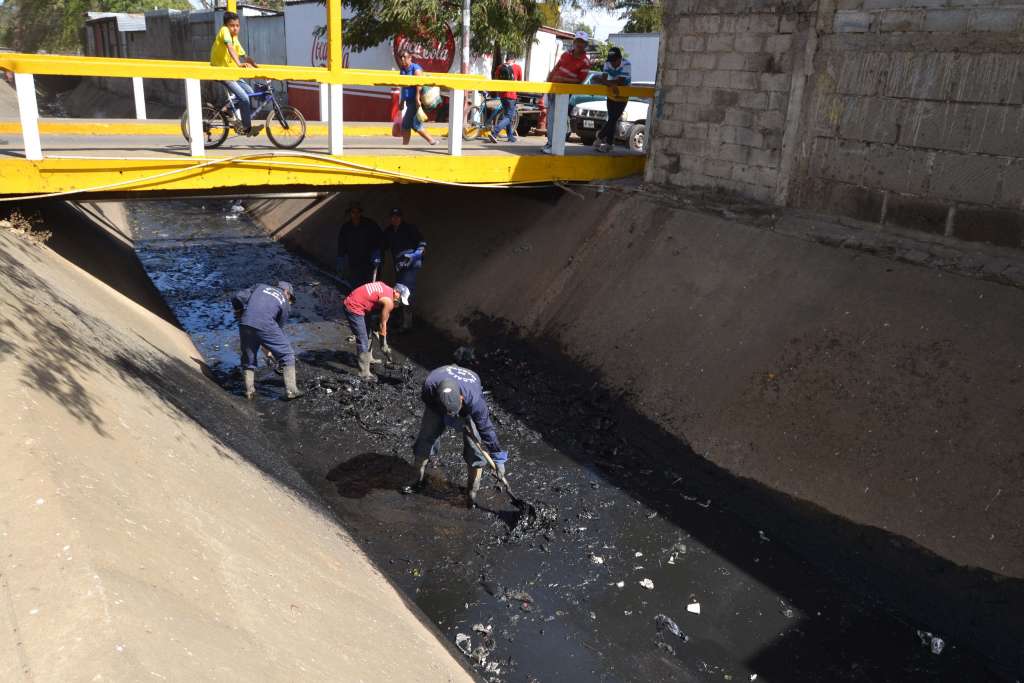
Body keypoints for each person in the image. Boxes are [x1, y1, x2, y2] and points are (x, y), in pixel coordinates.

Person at [403, 364, 509, 508]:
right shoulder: (429, 386)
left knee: (475, 450)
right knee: (426, 438)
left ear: (460, 398)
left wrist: (498, 457)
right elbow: (431, 406)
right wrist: (450, 419)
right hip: (437, 405)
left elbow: (486, 429)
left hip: (467, 402)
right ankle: (416, 479)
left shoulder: (474, 401)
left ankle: (471, 493)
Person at [231, 281, 303, 400]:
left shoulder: (260, 286)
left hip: (245, 322)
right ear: (287, 292)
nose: (290, 301)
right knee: (287, 354)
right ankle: (292, 391)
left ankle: (249, 391)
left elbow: (236, 297)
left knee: (248, 357)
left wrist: (239, 312)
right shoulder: (284, 301)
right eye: (290, 298)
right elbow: (277, 329)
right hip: (266, 325)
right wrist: (269, 346)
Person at [342, 281, 410, 382]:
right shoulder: (389, 301)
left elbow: (373, 300)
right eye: (400, 300)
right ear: (396, 292)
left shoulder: (385, 287)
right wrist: (384, 344)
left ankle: (369, 358)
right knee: (363, 339)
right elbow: (383, 324)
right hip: (353, 307)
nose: (399, 303)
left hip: (361, 304)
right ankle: (364, 373)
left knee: (368, 332)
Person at [210, 11, 260, 136]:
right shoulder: (224, 31)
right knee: (244, 98)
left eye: (237, 25)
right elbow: (230, 48)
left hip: (231, 73)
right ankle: (247, 128)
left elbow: (244, 55)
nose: (235, 28)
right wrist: (239, 64)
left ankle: (227, 109)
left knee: (250, 92)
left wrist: (255, 65)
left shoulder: (234, 38)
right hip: (222, 72)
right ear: (226, 25)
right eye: (232, 25)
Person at [543, 31, 591, 155]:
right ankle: (551, 143)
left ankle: (553, 144)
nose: (579, 44)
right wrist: (548, 84)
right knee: (551, 118)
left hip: (564, 94)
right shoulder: (565, 54)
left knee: (556, 118)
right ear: (574, 42)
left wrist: (563, 80)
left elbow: (579, 81)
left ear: (585, 45)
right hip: (553, 89)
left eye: (582, 42)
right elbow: (555, 69)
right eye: (577, 41)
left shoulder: (585, 62)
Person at [381, 208, 426, 331]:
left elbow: (422, 244)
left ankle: (407, 323)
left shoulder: (409, 228)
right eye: (393, 217)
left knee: (405, 292)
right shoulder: (389, 231)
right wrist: (376, 254)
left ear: (401, 217)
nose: (395, 219)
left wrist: (415, 255)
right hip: (399, 265)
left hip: (411, 264)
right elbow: (382, 245)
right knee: (399, 292)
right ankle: (401, 319)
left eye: (397, 216)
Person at [336, 201, 382, 292]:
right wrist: (340, 259)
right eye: (353, 212)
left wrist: (377, 253)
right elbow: (341, 244)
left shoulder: (370, 224)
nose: (355, 215)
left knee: (370, 289)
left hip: (370, 263)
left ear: (361, 213)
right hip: (354, 264)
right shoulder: (346, 228)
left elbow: (380, 239)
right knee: (356, 288)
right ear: (350, 213)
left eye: (358, 212)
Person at [397, 49, 439, 147]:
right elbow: (403, 87)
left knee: (410, 123)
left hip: (416, 101)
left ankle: (429, 141)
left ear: (410, 58)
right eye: (401, 57)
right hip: (408, 101)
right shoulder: (403, 70)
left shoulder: (416, 69)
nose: (402, 59)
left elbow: (419, 85)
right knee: (410, 124)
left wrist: (417, 98)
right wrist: (402, 101)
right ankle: (429, 141)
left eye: (405, 57)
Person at [594, 47, 632, 153]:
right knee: (612, 119)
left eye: (615, 61)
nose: (613, 63)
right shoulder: (607, 63)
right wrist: (609, 83)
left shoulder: (626, 64)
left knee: (613, 119)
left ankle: (600, 136)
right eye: (611, 61)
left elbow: (621, 81)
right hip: (611, 93)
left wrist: (604, 81)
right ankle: (609, 144)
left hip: (623, 94)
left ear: (620, 58)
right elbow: (606, 79)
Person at [487, 54, 523, 144]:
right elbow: (519, 81)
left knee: (507, 115)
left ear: (506, 59)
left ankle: (510, 136)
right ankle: (494, 132)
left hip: (502, 95)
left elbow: (496, 78)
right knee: (509, 117)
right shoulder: (517, 67)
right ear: (514, 59)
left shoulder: (500, 67)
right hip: (511, 95)